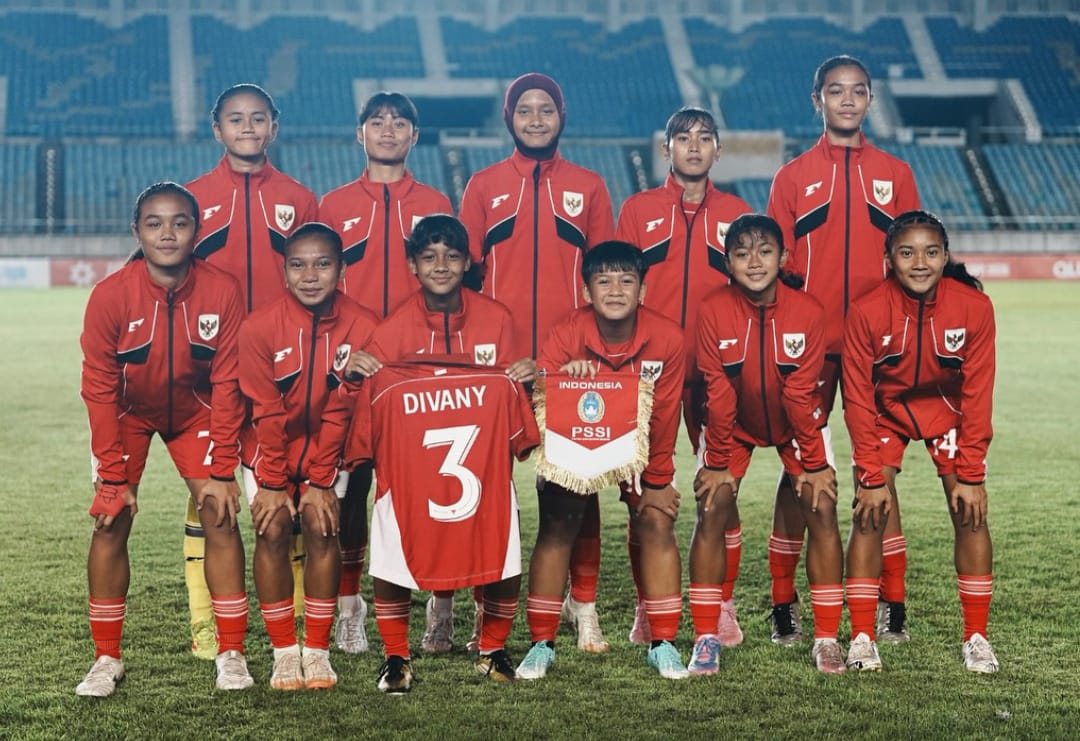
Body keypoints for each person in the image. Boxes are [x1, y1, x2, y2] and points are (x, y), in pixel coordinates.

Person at [345, 214, 536, 691]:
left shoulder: (497, 320)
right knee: (391, 552)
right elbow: (363, 403)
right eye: (429, 256)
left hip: (482, 473)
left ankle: (492, 648)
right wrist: (358, 372)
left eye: (452, 256)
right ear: (412, 264)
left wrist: (529, 380)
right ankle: (395, 656)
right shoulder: (390, 332)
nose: (442, 265)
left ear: (468, 262)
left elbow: (519, 399)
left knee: (504, 546)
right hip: (410, 474)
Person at [766, 55, 920, 644]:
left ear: (871, 100)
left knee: (877, 469)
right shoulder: (791, 177)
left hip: (878, 350)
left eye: (858, 92)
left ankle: (894, 601)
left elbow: (910, 260)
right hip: (808, 349)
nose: (848, 101)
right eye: (836, 91)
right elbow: (775, 274)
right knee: (800, 472)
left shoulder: (896, 173)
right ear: (818, 101)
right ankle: (784, 602)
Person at [459, 72, 616, 653]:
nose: (534, 117)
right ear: (509, 119)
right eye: (523, 109)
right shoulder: (482, 186)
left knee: (577, 491)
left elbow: (607, 282)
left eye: (544, 107)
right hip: (498, 368)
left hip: (570, 367)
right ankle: (483, 608)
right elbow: (464, 280)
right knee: (487, 492)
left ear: (561, 116)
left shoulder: (589, 186)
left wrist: (588, 354)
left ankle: (585, 609)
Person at [76, 182, 251, 696]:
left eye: (180, 222)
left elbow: (227, 381)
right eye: (154, 223)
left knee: (219, 511)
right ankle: (107, 659)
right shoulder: (110, 295)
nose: (168, 233)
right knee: (111, 519)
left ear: (197, 230)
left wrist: (222, 467)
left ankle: (232, 653)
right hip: (127, 415)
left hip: (196, 414)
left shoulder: (222, 290)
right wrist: (112, 475)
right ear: (137, 231)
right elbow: (99, 390)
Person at [182, 83, 318, 660]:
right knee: (210, 501)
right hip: (207, 379)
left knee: (279, 492)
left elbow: (323, 284)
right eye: (235, 119)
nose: (246, 127)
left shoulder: (299, 198)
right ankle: (207, 627)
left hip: (285, 376)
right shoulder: (190, 198)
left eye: (257, 118)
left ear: (274, 128)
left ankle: (295, 632)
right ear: (217, 130)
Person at [318, 91, 453, 654]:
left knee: (431, 495)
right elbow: (317, 289)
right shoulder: (332, 203)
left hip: (419, 375)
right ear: (360, 134)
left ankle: (439, 609)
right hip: (355, 374)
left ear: (415, 136)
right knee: (351, 499)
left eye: (400, 122)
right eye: (378, 121)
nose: (389, 129)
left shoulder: (437, 199)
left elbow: (452, 286)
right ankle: (351, 612)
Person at [516, 241, 688, 681]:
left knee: (655, 518)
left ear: (642, 291)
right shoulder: (566, 330)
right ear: (587, 292)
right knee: (558, 521)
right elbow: (543, 398)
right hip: (574, 440)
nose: (615, 290)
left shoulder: (668, 337)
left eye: (627, 280)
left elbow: (665, 415)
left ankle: (663, 642)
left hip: (638, 445)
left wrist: (659, 480)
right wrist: (560, 377)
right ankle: (542, 643)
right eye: (604, 281)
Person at [615, 106, 752, 647]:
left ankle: (721, 604)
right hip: (649, 375)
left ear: (718, 150)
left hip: (718, 371)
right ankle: (650, 605)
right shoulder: (637, 210)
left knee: (721, 492)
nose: (693, 146)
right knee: (641, 497)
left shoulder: (738, 213)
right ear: (666, 149)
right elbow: (618, 290)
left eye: (704, 138)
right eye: (682, 138)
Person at [842, 210, 998, 673]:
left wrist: (970, 474)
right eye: (907, 252)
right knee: (869, 512)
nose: (920, 263)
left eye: (931, 252)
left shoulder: (974, 308)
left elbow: (978, 392)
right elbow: (855, 395)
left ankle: (977, 637)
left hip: (946, 412)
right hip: (884, 412)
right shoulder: (866, 309)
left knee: (969, 512)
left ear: (946, 255)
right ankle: (864, 638)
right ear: (889, 258)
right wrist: (870, 476)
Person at [692, 214, 845, 675]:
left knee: (821, 505)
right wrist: (718, 462)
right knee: (713, 505)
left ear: (783, 257)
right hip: (733, 425)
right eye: (741, 253)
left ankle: (826, 638)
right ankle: (706, 635)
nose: (754, 262)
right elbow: (717, 392)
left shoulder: (808, 311)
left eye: (764, 251)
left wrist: (814, 464)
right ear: (727, 262)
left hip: (796, 425)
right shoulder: (711, 309)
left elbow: (802, 395)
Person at [238, 222, 378, 690]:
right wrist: (274, 485)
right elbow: (265, 411)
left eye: (322, 264)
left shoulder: (365, 325)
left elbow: (346, 409)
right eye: (298, 265)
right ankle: (283, 652)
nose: (310, 275)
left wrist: (321, 484)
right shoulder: (259, 326)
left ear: (341, 269)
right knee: (272, 527)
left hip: (331, 451)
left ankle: (317, 651)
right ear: (284, 272)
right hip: (268, 448)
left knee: (323, 527)